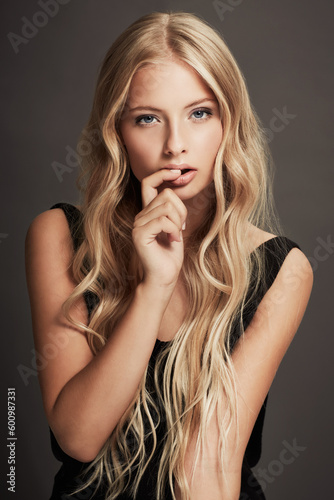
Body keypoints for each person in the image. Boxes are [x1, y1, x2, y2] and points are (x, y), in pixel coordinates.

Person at [25, 11, 313, 500]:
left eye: (199, 113)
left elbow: (208, 468)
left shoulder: (281, 270)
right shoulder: (60, 235)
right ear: (117, 131)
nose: (175, 146)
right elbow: (78, 437)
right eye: (147, 119)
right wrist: (152, 288)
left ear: (229, 122)